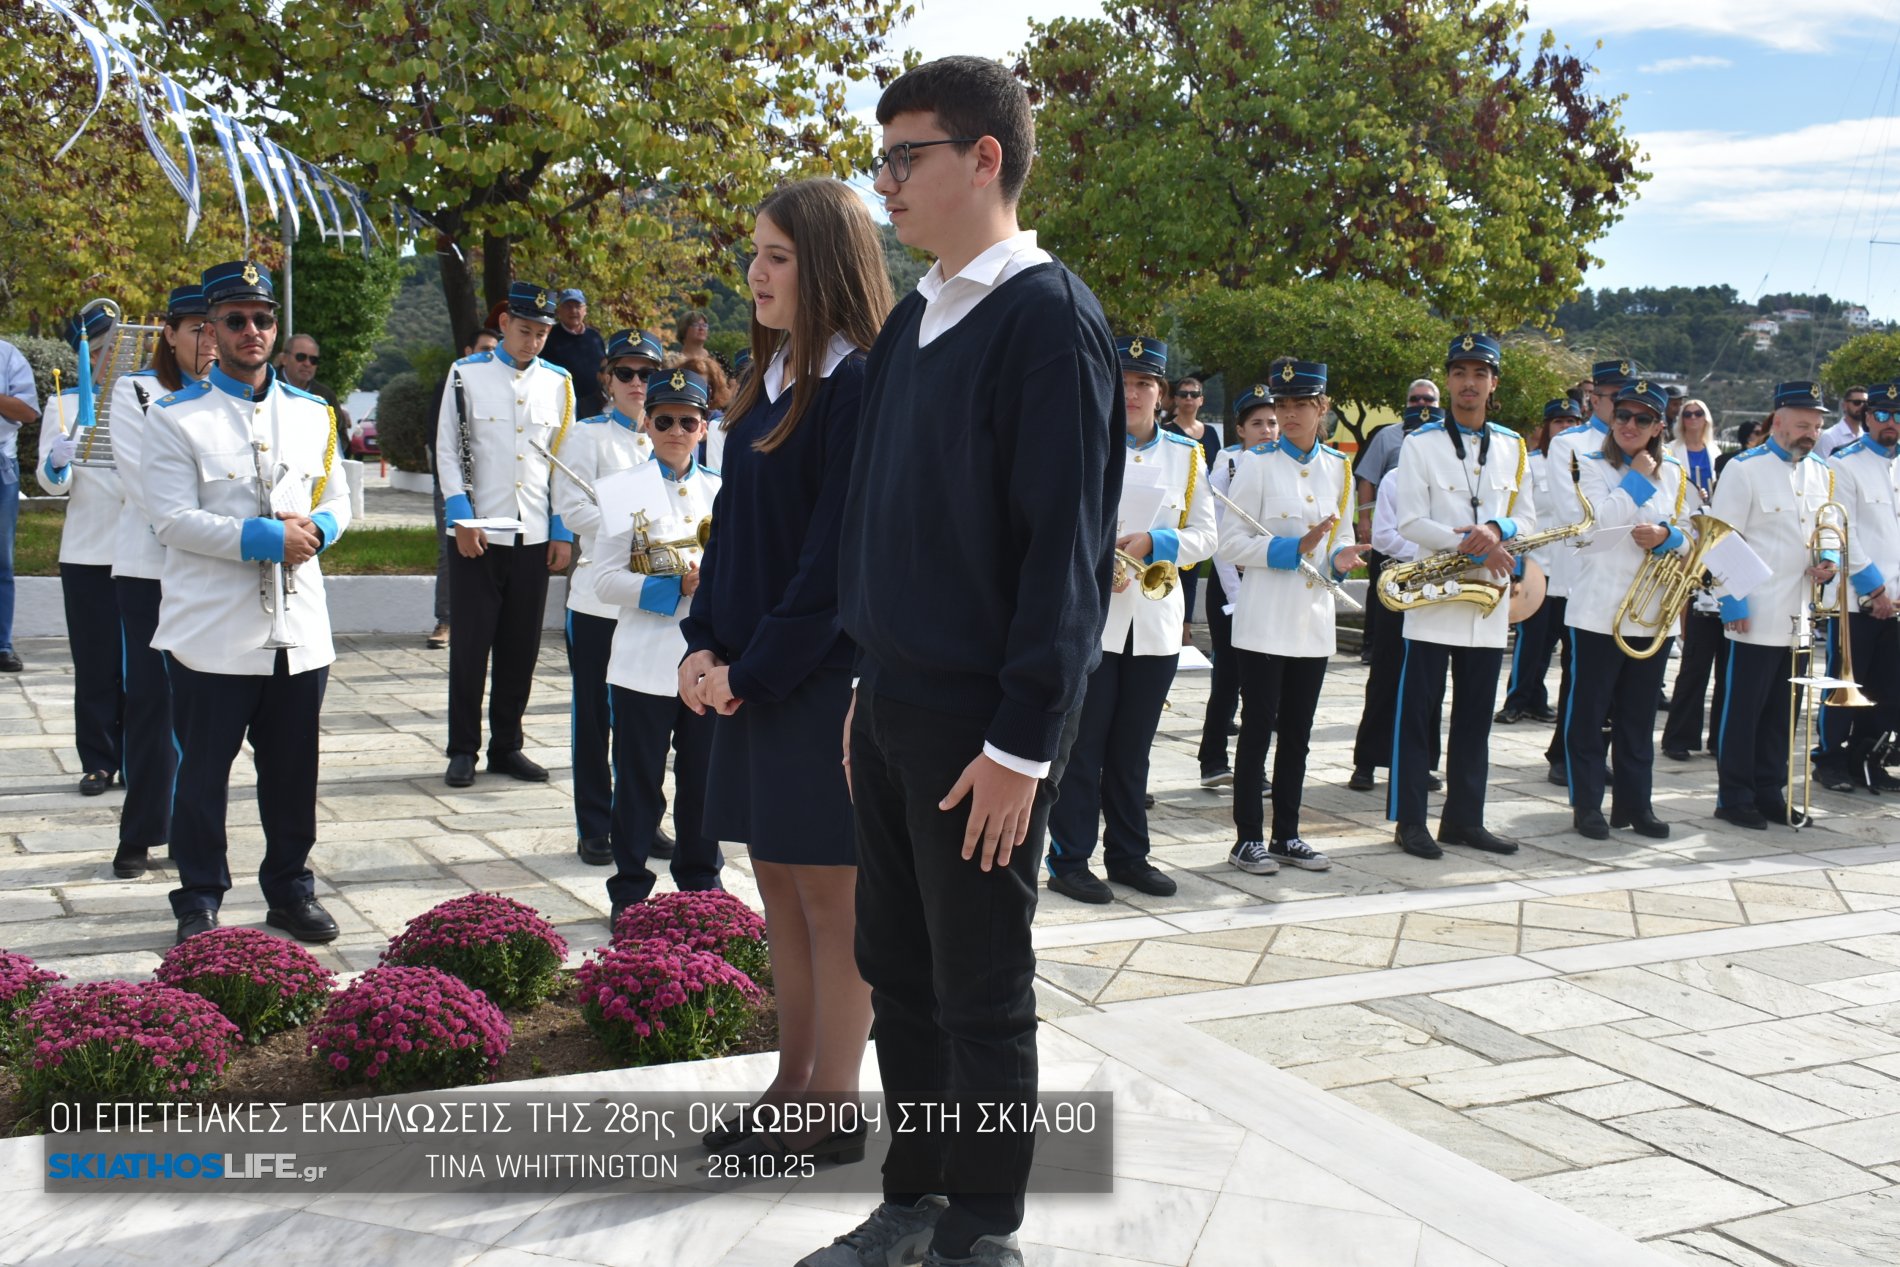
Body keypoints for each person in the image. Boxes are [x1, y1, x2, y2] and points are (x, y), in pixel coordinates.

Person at [827, 56, 1121, 1267]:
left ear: (982, 157)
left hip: (980, 733)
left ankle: (980, 1226)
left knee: (980, 985)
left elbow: (1066, 555)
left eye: (907, 156)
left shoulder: (1047, 320)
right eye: (881, 158)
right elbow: (877, 519)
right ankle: (914, 1192)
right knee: (896, 965)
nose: (885, 183)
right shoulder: (917, 318)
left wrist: (1020, 744)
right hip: (894, 707)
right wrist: (863, 685)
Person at [679, 179, 889, 1171]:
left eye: (776, 257)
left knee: (832, 901)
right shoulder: (763, 382)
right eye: (753, 255)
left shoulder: (858, 384)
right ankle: (791, 1078)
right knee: (778, 888)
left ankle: (834, 1102)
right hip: (755, 677)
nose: (754, 275)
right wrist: (701, 642)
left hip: (821, 683)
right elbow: (733, 544)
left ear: (828, 264)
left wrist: (748, 672)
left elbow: (830, 567)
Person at [143, 259, 351, 944]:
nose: (252, 331)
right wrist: (262, 536)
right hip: (214, 633)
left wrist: (318, 528)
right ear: (210, 330)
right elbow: (169, 518)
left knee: (293, 774)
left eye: (263, 318)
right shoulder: (177, 417)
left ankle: (290, 888)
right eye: (236, 320)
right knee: (202, 776)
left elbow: (337, 496)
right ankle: (199, 895)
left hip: (299, 629)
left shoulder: (314, 413)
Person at [1044, 335, 1214, 903]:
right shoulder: (1083, 442)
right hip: (1093, 621)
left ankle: (1128, 855)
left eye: (1145, 383)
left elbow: (1206, 536)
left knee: (1132, 750)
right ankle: (1069, 859)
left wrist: (1154, 541)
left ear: (1161, 394)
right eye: (1124, 381)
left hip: (1155, 623)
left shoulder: (1187, 455)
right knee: (1082, 749)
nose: (1134, 392)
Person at [1388, 333, 1537, 860]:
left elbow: (1531, 516)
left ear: (1494, 383)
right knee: (1418, 719)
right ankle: (1411, 822)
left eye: (1479, 374)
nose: (1468, 384)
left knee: (1475, 719)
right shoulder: (1420, 443)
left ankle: (1464, 819)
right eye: (1459, 373)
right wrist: (1470, 544)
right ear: (1448, 380)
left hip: (1488, 603)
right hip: (1435, 598)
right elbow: (1409, 521)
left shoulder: (1514, 445)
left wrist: (1497, 527)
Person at [1217, 359, 1366, 874]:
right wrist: (1290, 547)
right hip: (1263, 618)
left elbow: (1340, 536)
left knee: (1298, 734)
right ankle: (1246, 838)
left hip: (1313, 620)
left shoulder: (1339, 468)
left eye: (1301, 404)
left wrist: (1341, 559)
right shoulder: (1254, 464)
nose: (1290, 414)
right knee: (1257, 729)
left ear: (1322, 407)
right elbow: (1230, 540)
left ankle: (1287, 833)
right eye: (1282, 405)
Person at [592, 367, 724, 918]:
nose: (675, 430)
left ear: (702, 427)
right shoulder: (624, 489)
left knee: (703, 784)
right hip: (644, 662)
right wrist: (674, 587)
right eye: (664, 419)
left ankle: (700, 887)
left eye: (687, 421)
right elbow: (603, 580)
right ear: (646, 424)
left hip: (707, 667)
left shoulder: (721, 488)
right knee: (639, 785)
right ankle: (630, 890)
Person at [435, 281, 576, 788]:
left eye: (541, 333)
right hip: (481, 530)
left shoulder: (559, 384)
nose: (532, 341)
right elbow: (449, 451)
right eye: (524, 330)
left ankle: (506, 745)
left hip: (534, 533)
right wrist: (461, 517)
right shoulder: (465, 375)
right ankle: (462, 749)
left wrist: (561, 529)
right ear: (504, 325)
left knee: (521, 648)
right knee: (471, 646)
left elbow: (562, 462)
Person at [108, 283, 214, 878]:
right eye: (192, 327)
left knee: (202, 709)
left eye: (212, 325)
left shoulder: (231, 398)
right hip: (150, 570)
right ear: (168, 334)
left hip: (212, 573)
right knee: (151, 702)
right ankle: (142, 831)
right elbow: (146, 482)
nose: (205, 339)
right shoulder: (138, 392)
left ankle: (191, 830)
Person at [1708, 382, 1838, 829]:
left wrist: (1830, 559)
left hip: (1800, 612)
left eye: (1817, 426)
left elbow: (1829, 525)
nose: (1811, 433)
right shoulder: (1745, 469)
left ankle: (1771, 790)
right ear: (1777, 419)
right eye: (1803, 424)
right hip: (1756, 608)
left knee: (1786, 710)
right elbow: (1719, 538)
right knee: (1743, 708)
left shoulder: (1820, 471)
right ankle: (1734, 795)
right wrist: (1731, 600)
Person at [554, 329, 661, 865]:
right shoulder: (586, 437)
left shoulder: (675, 435)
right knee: (595, 717)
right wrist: (630, 537)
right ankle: (595, 823)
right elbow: (573, 510)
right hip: (598, 599)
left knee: (646, 719)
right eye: (627, 372)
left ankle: (644, 818)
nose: (638, 383)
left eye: (648, 374)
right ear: (608, 378)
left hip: (653, 600)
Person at [1563, 380, 1686, 839]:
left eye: (1642, 419)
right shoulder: (1589, 464)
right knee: (1589, 715)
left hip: (1652, 612)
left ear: (1658, 426)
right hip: (1598, 610)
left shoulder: (1673, 471)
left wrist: (1668, 538)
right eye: (1622, 416)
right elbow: (1595, 526)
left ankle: (1636, 806)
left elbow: (1690, 530)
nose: (1629, 425)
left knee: (1638, 717)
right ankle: (1587, 805)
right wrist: (1636, 478)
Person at [39, 306, 127, 798]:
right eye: (96, 350)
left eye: (112, 348)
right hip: (88, 550)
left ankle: (140, 755)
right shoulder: (65, 404)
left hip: (140, 549)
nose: (105, 358)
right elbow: (52, 484)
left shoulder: (147, 400)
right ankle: (98, 759)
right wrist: (57, 463)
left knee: (143, 662)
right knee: (95, 663)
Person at [1534, 359, 1628, 786]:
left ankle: (1595, 753)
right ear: (1594, 399)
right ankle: (1567, 753)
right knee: (1580, 676)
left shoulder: (1639, 445)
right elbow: (1577, 515)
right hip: (1583, 575)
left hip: (1630, 581)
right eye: (1614, 398)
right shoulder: (1569, 443)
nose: (1625, 408)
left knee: (1617, 682)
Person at [1349, 402, 1448, 794]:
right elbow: (1385, 537)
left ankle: (1421, 762)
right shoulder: (1393, 479)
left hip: (1437, 585)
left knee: (1431, 679)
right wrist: (1431, 547)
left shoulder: (1446, 479)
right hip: (1402, 582)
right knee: (1387, 672)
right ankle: (1367, 761)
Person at [1814, 382, 1900, 793]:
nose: (1890, 423)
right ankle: (1829, 760)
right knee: (1844, 682)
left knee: (1886, 688)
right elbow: (1842, 532)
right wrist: (1875, 590)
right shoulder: (1843, 464)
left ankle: (1869, 758)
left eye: (1898, 416)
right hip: (1856, 599)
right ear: (1866, 417)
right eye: (1882, 414)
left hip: (1898, 601)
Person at [1199, 384, 1276, 788]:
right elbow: (1219, 537)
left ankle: (1255, 768)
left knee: (1263, 684)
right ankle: (1213, 760)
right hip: (1231, 584)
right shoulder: (1227, 463)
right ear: (1241, 429)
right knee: (1228, 674)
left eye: (1273, 422)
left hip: (1269, 585)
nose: (1267, 430)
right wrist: (1238, 597)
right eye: (1258, 423)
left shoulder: (1283, 463)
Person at [1496, 398, 1582, 724]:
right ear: (1546, 428)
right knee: (1532, 640)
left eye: (1572, 422)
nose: (1565, 429)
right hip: (1537, 565)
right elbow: (1517, 515)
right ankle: (1517, 700)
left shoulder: (1584, 466)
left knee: (1565, 644)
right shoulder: (1532, 464)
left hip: (1571, 567)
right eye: (1559, 422)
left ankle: (1541, 699)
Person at [423, 327, 501, 650]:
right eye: (483, 349)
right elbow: (439, 441)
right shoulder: (452, 383)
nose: (488, 356)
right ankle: (447, 619)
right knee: (449, 551)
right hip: (454, 488)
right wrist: (454, 494)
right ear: (468, 349)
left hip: (489, 489)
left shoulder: (499, 385)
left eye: (494, 350)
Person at [1660, 395, 1727, 761]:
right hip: (1688, 546)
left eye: (1699, 412)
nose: (1693, 418)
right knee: (1695, 654)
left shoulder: (1719, 452)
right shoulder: (1671, 452)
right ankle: (1680, 737)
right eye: (1687, 413)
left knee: (1724, 662)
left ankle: (1720, 736)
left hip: (1719, 548)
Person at [1355, 380, 1439, 666]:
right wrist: (1364, 519)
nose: (1422, 404)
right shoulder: (1388, 438)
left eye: (1428, 400)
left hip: (1434, 565)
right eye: (1415, 399)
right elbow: (1367, 478)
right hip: (1395, 551)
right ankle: (1372, 645)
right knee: (1384, 620)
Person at [1164, 373, 1220, 643]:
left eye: (1193, 394)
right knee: (1174, 568)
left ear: (1201, 400)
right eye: (1183, 394)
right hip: (1174, 509)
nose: (1188, 399)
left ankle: (1185, 628)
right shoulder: (1166, 431)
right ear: (1174, 399)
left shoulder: (1209, 433)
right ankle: (1174, 627)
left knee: (1193, 569)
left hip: (1200, 508)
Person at [0, 336, 39, 674]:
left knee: (1, 561)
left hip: (1, 466)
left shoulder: (7, 354)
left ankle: (1, 645)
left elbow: (28, 412)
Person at [278, 332, 350, 454]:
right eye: (301, 357)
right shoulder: (267, 387)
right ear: (284, 359)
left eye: (313, 360)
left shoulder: (325, 396)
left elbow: (340, 436)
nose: (307, 364)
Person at [541, 289, 607, 418]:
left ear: (585, 310)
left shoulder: (595, 337)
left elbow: (604, 368)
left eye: (578, 306)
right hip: (559, 404)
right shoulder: (549, 337)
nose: (573, 311)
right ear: (559, 311)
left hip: (594, 405)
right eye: (568, 306)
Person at [1816, 384, 1869, 460]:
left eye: (1866, 403)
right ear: (1844, 405)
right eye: (1857, 402)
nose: (1862, 407)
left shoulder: (1866, 436)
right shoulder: (1829, 437)